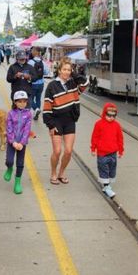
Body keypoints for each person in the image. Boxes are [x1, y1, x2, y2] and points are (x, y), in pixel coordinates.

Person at [42, 56, 88, 185]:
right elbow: (47, 107)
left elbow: (85, 83)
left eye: (69, 70)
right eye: (64, 69)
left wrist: (74, 74)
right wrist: (50, 125)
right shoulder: (52, 86)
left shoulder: (73, 83)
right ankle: (53, 173)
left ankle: (61, 172)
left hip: (70, 121)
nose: (67, 72)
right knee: (57, 151)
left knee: (68, 151)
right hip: (56, 121)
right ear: (59, 70)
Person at [90, 102, 124, 199]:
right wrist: (93, 148)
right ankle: (106, 187)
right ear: (104, 113)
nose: (111, 118)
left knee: (112, 170)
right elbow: (95, 137)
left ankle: (107, 185)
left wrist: (121, 150)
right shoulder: (99, 124)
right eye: (109, 115)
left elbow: (120, 138)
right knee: (103, 169)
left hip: (113, 153)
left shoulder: (117, 125)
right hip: (102, 153)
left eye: (114, 115)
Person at [4, 91, 32, 195]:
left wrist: (22, 143)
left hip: (21, 144)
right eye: (19, 101)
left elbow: (27, 129)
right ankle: (9, 168)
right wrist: (12, 142)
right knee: (9, 160)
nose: (22, 103)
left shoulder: (28, 114)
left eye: (24, 101)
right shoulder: (11, 113)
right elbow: (9, 128)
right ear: (15, 102)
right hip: (12, 142)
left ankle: (17, 182)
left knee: (20, 163)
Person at [29, 47, 46, 120]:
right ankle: (36, 114)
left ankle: (36, 109)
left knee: (29, 98)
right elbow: (46, 72)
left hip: (33, 83)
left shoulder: (30, 62)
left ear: (35, 52)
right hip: (41, 83)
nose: (31, 52)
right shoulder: (43, 62)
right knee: (38, 99)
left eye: (32, 51)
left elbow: (27, 71)